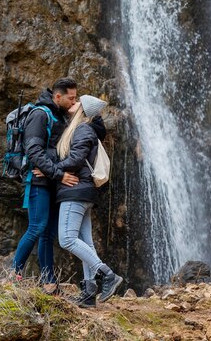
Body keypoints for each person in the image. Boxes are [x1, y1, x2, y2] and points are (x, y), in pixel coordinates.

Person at [53, 95, 123, 307]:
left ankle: (108, 274)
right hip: (84, 192)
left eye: (76, 102)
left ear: (82, 110)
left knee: (66, 239)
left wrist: (53, 169)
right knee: (86, 242)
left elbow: (75, 159)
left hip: (75, 191)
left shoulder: (83, 129)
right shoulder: (86, 129)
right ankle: (89, 293)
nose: (71, 104)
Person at [11, 78, 79, 290]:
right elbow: (33, 151)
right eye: (71, 98)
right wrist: (59, 174)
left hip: (51, 181)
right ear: (57, 96)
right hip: (39, 181)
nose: (73, 102)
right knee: (36, 227)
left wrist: (55, 174)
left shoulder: (59, 116)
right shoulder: (40, 115)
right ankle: (14, 272)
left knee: (48, 234)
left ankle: (49, 281)